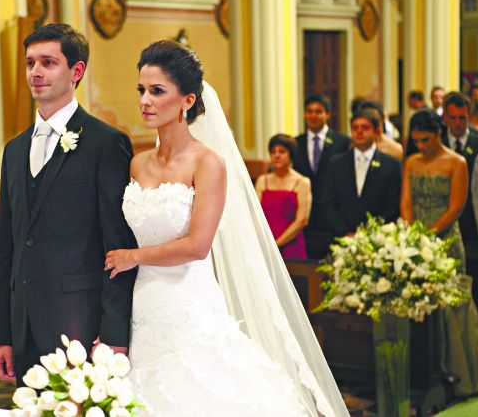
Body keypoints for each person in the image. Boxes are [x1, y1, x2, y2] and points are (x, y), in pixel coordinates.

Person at [105, 40, 348, 416]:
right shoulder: (137, 164)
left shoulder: (208, 163)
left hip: (188, 299)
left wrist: (133, 256)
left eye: (157, 91)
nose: (145, 101)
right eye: (141, 90)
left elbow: (198, 245)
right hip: (143, 305)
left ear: (187, 100)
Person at [0, 24, 138, 386]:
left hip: (81, 323)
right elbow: (6, 246)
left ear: (76, 71)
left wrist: (115, 334)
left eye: (48, 62)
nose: (35, 72)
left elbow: (119, 245)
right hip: (23, 324)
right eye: (30, 63)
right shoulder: (14, 150)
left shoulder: (106, 143)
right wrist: (2, 335)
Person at [401, 109, 478, 397]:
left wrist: (430, 236)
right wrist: (412, 234)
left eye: (425, 140)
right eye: (416, 141)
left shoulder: (457, 162)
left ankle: (460, 375)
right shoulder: (412, 161)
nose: (421, 146)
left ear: (439, 133)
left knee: (451, 305)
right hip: (416, 239)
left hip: (446, 239)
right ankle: (426, 374)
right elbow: (406, 201)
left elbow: (456, 207)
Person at [322, 110, 401, 237]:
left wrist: (370, 231)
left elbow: (393, 205)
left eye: (365, 127)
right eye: (355, 128)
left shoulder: (391, 165)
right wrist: (345, 232)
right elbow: (328, 203)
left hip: (378, 236)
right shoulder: (336, 163)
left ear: (376, 132)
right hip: (342, 236)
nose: (359, 131)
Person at [292, 94, 350, 244]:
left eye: (318, 112)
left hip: (334, 218)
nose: (313, 116)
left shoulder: (343, 142)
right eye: (309, 111)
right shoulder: (296, 143)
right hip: (304, 218)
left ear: (328, 114)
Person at [255, 134, 311, 260]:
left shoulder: (302, 182)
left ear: (290, 155)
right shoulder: (262, 180)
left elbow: (302, 220)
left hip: (291, 246)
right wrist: (265, 243)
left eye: (282, 151)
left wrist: (276, 244)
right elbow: (256, 215)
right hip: (265, 245)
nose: (276, 155)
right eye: (273, 152)